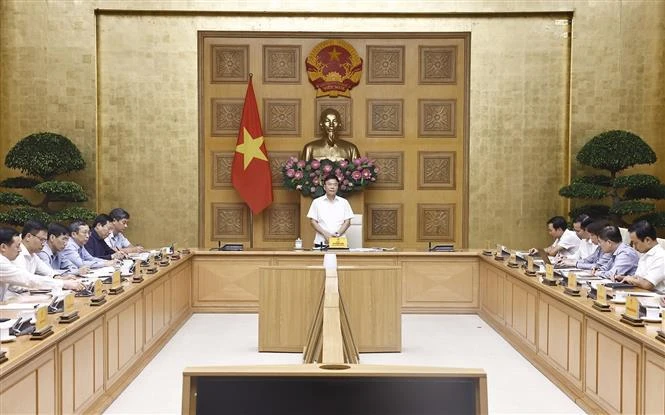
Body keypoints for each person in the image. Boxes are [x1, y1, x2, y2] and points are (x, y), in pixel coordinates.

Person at [0, 226, 82, 301]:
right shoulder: (2, 262)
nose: (20, 250)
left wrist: (58, 278)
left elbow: (47, 271)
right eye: (17, 246)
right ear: (3, 247)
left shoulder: (32, 255)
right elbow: (27, 279)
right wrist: (63, 283)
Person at [617, 220, 665, 291]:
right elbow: (639, 278)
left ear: (647, 240)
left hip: (655, 298)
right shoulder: (645, 253)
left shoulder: (661, 257)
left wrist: (630, 279)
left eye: (635, 243)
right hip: (640, 293)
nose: (634, 247)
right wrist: (624, 278)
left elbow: (647, 284)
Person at [306, 176, 354, 247]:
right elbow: (313, 221)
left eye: (335, 185)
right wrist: (325, 234)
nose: (332, 187)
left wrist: (337, 234)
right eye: (329, 184)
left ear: (338, 187)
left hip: (339, 241)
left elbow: (347, 222)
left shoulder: (344, 202)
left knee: (340, 258)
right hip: (321, 241)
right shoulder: (316, 202)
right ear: (324, 187)